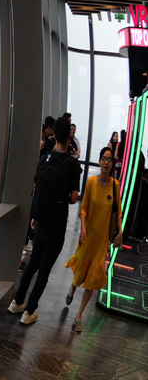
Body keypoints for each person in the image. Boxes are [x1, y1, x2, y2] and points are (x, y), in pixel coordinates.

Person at [10, 116, 82, 324]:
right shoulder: (72, 165)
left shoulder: (44, 160)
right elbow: (74, 198)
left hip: (40, 221)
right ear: (68, 135)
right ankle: (29, 311)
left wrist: (35, 216)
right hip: (57, 224)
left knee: (33, 263)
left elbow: (38, 190)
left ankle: (17, 301)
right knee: (45, 269)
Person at [64, 147, 122, 333]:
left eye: (109, 160)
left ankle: (79, 315)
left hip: (102, 240)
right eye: (103, 159)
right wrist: (83, 228)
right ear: (99, 161)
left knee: (93, 277)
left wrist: (119, 232)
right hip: (88, 236)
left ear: (112, 164)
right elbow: (84, 208)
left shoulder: (115, 185)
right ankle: (73, 287)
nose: (106, 162)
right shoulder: (90, 182)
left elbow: (117, 212)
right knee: (81, 270)